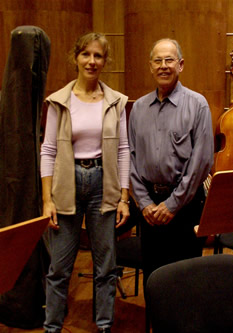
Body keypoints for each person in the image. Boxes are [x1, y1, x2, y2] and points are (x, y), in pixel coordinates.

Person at [40, 32, 130, 333]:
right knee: (59, 269)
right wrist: (47, 200)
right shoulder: (58, 101)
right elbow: (48, 150)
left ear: (105, 62)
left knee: (106, 267)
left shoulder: (116, 102)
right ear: (75, 58)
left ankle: (104, 326)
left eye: (98, 56)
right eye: (86, 54)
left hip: (104, 185)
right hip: (67, 184)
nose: (92, 61)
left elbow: (122, 150)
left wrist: (123, 198)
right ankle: (52, 328)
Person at [128, 38, 214, 290]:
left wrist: (173, 204)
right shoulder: (139, 108)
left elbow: (202, 161)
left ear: (181, 65)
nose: (163, 66)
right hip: (150, 210)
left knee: (185, 280)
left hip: (185, 208)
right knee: (155, 280)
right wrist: (143, 203)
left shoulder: (197, 105)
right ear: (150, 66)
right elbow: (130, 159)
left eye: (169, 60)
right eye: (158, 60)